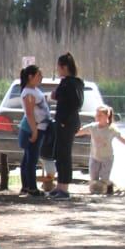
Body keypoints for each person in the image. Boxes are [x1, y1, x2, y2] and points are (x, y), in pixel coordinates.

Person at [48, 52, 84, 199]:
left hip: (66, 123)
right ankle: (59, 185)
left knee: (64, 155)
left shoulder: (71, 83)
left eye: (58, 67)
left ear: (63, 67)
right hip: (64, 122)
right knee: (59, 154)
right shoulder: (69, 83)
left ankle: (64, 188)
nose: (57, 70)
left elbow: (75, 103)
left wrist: (64, 120)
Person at [78, 104, 125, 195]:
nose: (97, 117)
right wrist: (68, 133)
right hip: (94, 157)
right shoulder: (92, 127)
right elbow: (79, 131)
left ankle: (109, 185)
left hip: (107, 158)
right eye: (96, 115)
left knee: (104, 178)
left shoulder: (112, 129)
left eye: (100, 115)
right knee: (93, 178)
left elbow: (122, 139)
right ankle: (96, 190)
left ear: (107, 116)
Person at [18, 64, 50, 198]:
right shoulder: (28, 93)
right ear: (30, 77)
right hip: (33, 128)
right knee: (31, 159)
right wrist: (34, 131)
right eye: (38, 75)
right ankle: (31, 187)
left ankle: (26, 186)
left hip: (39, 127)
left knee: (29, 157)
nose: (41, 78)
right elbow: (30, 113)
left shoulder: (34, 90)